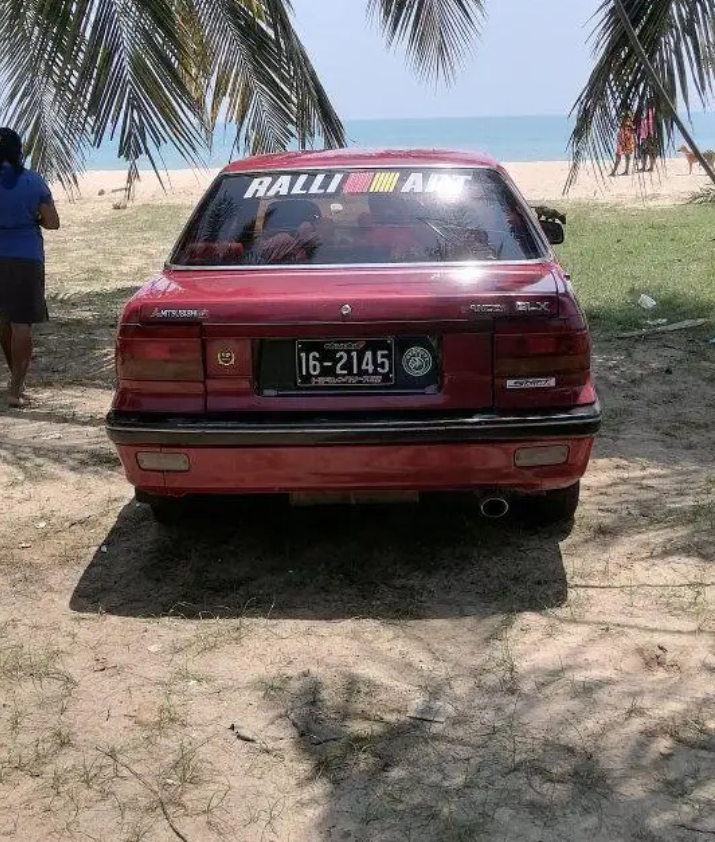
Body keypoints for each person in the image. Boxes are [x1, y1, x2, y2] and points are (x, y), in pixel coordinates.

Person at [0, 128, 59, 407]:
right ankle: (15, 390)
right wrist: (33, 217)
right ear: (18, 150)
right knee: (22, 325)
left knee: (4, 322)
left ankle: (16, 383)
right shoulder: (34, 182)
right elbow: (52, 222)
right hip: (25, 257)